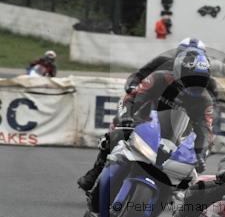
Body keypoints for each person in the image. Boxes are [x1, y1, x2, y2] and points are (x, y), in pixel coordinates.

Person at [77, 46, 214, 191]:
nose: (195, 83)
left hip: (176, 137)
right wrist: (126, 117)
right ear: (179, 71)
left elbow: (206, 129)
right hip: (145, 123)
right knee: (116, 135)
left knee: (191, 173)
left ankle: (175, 200)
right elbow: (131, 98)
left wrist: (202, 153)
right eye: (191, 77)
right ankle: (95, 171)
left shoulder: (205, 100)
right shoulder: (159, 78)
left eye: (200, 79)